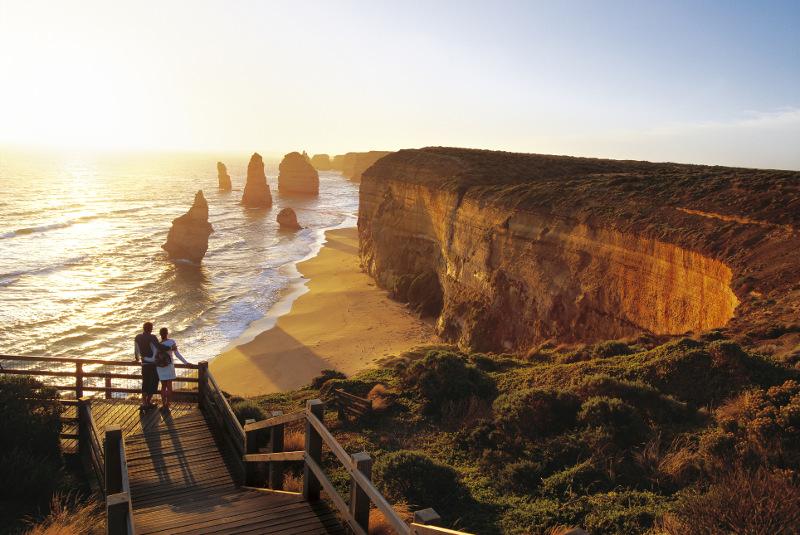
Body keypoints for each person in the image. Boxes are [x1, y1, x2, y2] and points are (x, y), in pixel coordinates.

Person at [134, 322, 175, 410]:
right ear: (150, 329)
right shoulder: (152, 337)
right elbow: (159, 347)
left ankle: (144, 403)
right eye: (152, 328)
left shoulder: (137, 337)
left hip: (144, 364)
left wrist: (137, 359)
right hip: (153, 364)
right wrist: (170, 348)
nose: (152, 329)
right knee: (153, 383)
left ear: (143, 328)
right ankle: (148, 401)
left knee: (145, 383)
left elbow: (136, 350)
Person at [155, 327, 189, 411]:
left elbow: (154, 357)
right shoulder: (171, 342)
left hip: (160, 367)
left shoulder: (158, 345)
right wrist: (186, 363)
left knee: (163, 386)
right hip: (169, 366)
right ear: (167, 333)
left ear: (160, 334)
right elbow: (177, 354)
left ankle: (163, 404)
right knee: (169, 386)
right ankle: (167, 405)